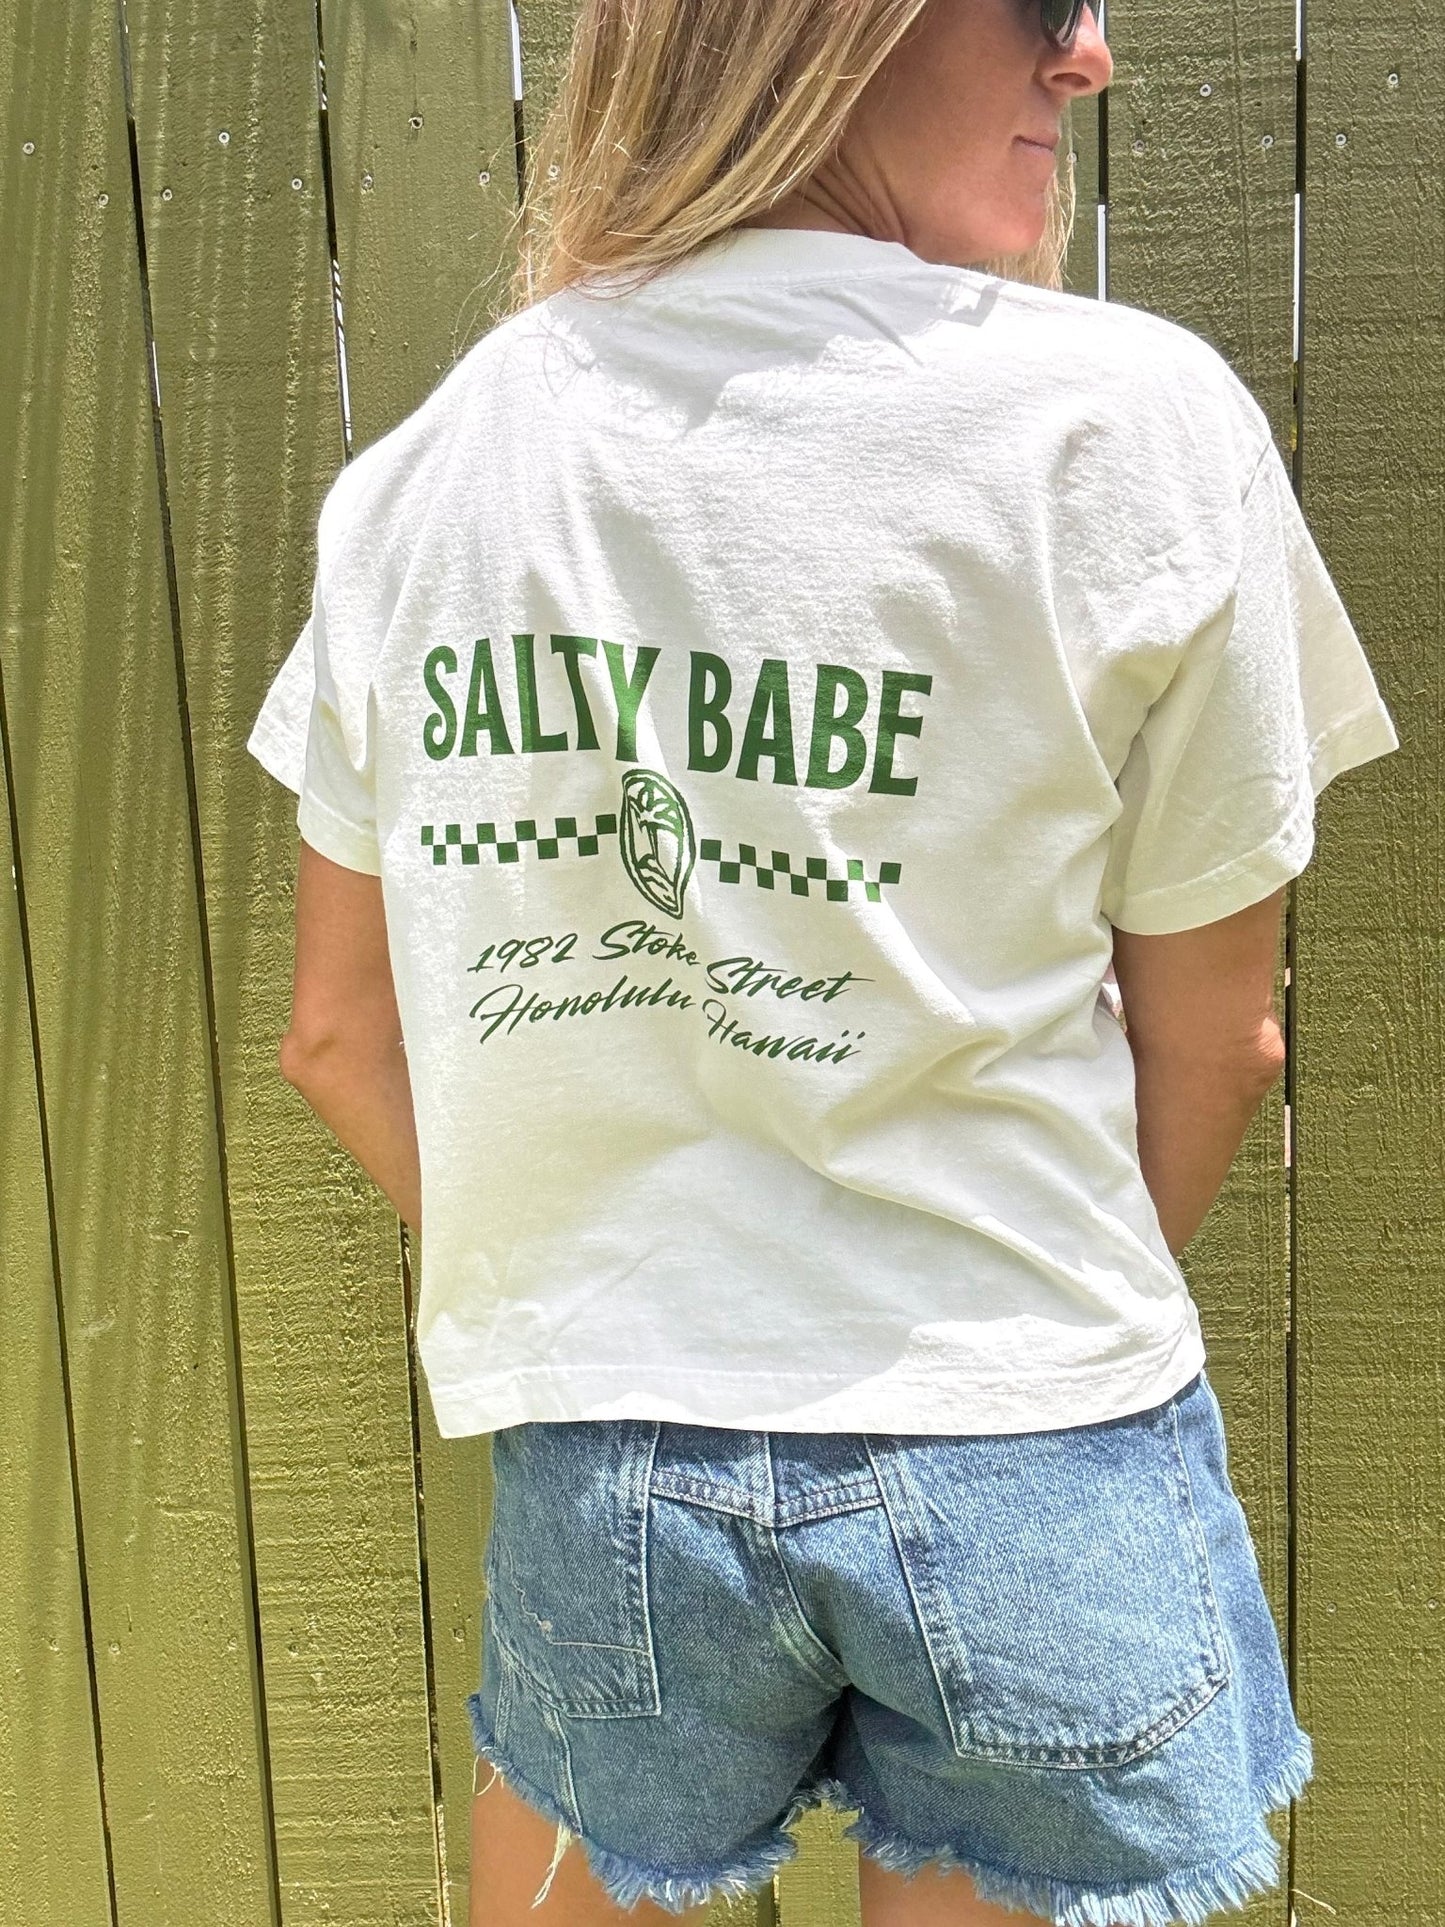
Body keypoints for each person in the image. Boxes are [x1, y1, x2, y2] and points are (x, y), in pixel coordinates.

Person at [246, 0, 1400, 1919]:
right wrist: (987, 1310)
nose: (1088, 56)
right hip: (1020, 1415)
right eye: (1040, 0)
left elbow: (335, 1034)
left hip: (608, 1453)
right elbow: (1222, 1039)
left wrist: (627, 1287)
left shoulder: (433, 468)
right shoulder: (1118, 423)